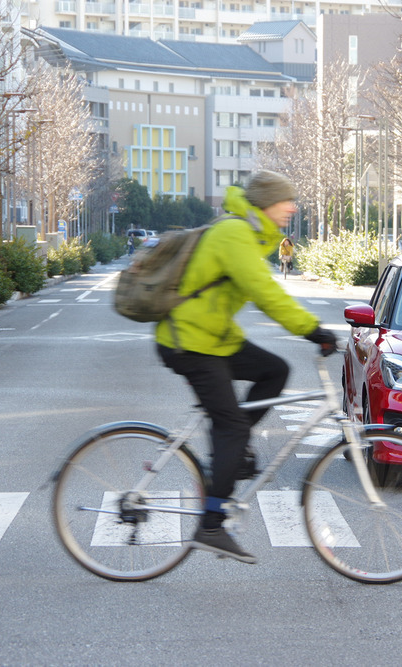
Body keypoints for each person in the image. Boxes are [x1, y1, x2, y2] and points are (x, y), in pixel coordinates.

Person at [156, 170, 337, 563]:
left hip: (213, 337)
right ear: (267, 203)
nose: (292, 207)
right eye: (286, 200)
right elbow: (264, 292)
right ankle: (211, 525)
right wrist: (314, 330)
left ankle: (230, 453)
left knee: (275, 370)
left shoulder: (250, 235)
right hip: (189, 342)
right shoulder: (235, 234)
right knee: (233, 426)